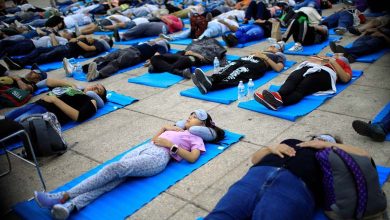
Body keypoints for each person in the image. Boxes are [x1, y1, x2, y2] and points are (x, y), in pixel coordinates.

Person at [33, 109, 225, 220]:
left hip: (158, 158)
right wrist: (164, 129)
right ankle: (70, 207)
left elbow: (192, 158)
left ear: (204, 124)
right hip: (146, 148)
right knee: (113, 179)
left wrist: (171, 145)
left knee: (112, 169)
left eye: (195, 116)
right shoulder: (177, 128)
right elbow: (154, 139)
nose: (190, 116)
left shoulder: (196, 137)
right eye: (189, 114)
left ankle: (61, 196)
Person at [205, 134, 370, 219]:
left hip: (294, 189)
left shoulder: (333, 155)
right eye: (318, 136)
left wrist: (327, 145)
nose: (320, 138)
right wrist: (271, 148)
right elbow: (255, 159)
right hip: (255, 178)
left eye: (327, 138)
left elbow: (365, 156)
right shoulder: (292, 141)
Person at [255, 54, 351, 110]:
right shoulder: (324, 57)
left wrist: (333, 61)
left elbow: (345, 79)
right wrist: (319, 59)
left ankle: (280, 101)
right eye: (335, 54)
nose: (336, 54)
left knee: (303, 86)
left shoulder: (343, 64)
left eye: (339, 54)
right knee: (292, 79)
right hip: (309, 66)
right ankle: (276, 97)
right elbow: (309, 59)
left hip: (325, 73)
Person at [192, 42, 286, 94]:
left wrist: (264, 57)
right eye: (272, 45)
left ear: (280, 49)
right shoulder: (264, 50)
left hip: (259, 63)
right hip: (247, 58)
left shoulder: (279, 55)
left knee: (236, 74)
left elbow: (278, 68)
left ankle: (212, 86)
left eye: (275, 46)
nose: (272, 46)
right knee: (229, 67)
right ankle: (211, 79)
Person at [5, 78, 107, 125]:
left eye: (98, 90)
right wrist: (69, 84)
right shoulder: (75, 88)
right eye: (96, 84)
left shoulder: (91, 100)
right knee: (5, 120)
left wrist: (54, 100)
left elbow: (78, 116)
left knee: (11, 127)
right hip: (36, 104)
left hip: (45, 112)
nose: (94, 87)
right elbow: (48, 81)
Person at [63, 39, 170, 81]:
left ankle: (98, 74)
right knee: (105, 58)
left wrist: (151, 60)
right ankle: (77, 68)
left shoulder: (163, 46)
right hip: (128, 49)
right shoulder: (149, 41)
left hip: (135, 54)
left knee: (115, 63)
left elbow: (157, 55)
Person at [2, 36, 112, 70]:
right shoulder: (96, 41)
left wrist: (78, 41)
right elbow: (77, 39)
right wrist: (82, 38)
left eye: (105, 37)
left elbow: (88, 49)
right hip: (65, 47)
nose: (102, 36)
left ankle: (20, 63)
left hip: (67, 51)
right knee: (39, 50)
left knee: (45, 56)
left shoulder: (100, 44)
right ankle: (19, 61)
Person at [159, 16, 238, 41]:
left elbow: (235, 29)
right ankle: (171, 38)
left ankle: (200, 39)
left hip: (219, 27)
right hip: (209, 23)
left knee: (210, 31)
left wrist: (225, 22)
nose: (230, 16)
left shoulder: (234, 22)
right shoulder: (222, 17)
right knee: (191, 29)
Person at [0, 32, 71, 58]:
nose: (66, 32)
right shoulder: (60, 36)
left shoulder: (65, 41)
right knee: (5, 42)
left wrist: (52, 36)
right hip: (31, 41)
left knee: (7, 50)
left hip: (32, 45)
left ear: (70, 37)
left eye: (68, 33)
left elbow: (55, 47)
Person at [119, 14, 183, 41]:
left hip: (164, 27)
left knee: (144, 26)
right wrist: (163, 17)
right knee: (143, 32)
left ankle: (124, 35)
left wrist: (165, 19)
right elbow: (162, 17)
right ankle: (125, 37)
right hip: (160, 24)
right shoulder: (172, 16)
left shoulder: (180, 23)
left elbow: (171, 23)